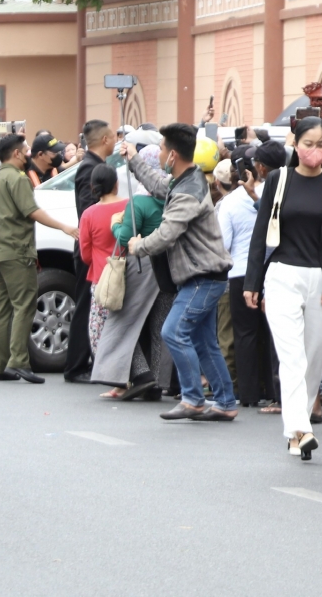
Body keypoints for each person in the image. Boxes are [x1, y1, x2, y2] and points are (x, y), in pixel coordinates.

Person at [121, 123, 237, 422]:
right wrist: (134, 159)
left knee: (173, 331)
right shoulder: (188, 179)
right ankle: (225, 403)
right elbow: (160, 187)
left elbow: (166, 234)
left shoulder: (187, 191)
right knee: (204, 342)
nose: (158, 154)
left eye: (160, 149)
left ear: (172, 156)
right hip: (206, 275)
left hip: (203, 277)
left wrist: (137, 245)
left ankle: (193, 399)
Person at [244, 117, 322, 459]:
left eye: (321, 145)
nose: (315, 151)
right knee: (291, 356)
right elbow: (261, 231)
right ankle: (300, 428)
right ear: (295, 145)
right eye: (308, 144)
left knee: (314, 360)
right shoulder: (278, 179)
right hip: (283, 275)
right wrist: (252, 281)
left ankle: (294, 432)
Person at [0, 134, 79, 383]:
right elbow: (32, 211)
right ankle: (18, 362)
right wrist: (64, 227)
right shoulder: (17, 179)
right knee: (25, 304)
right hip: (16, 250)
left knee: (1, 308)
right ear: (16, 154)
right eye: (25, 151)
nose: (28, 155)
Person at [102, 146, 174, 402]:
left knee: (122, 325)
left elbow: (124, 238)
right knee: (159, 329)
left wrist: (116, 224)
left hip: (140, 267)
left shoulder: (139, 202)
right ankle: (156, 381)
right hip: (168, 268)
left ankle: (142, 374)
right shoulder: (173, 198)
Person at [216, 157, 275, 410]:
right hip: (270, 271)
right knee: (272, 335)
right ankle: (273, 390)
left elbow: (223, 244)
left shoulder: (228, 202)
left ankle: (248, 393)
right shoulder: (271, 194)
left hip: (239, 273)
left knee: (244, 335)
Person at [65, 119, 116, 383]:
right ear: (105, 139)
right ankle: (75, 366)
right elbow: (88, 209)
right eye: (113, 136)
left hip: (95, 247)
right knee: (86, 304)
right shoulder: (89, 169)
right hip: (91, 248)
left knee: (92, 304)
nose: (116, 140)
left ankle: (86, 362)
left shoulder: (97, 165)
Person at [77, 164, 129, 394]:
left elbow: (85, 254)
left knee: (99, 328)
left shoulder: (89, 214)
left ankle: (113, 379)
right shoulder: (129, 206)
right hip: (129, 275)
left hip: (102, 278)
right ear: (116, 183)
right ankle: (131, 375)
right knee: (127, 327)